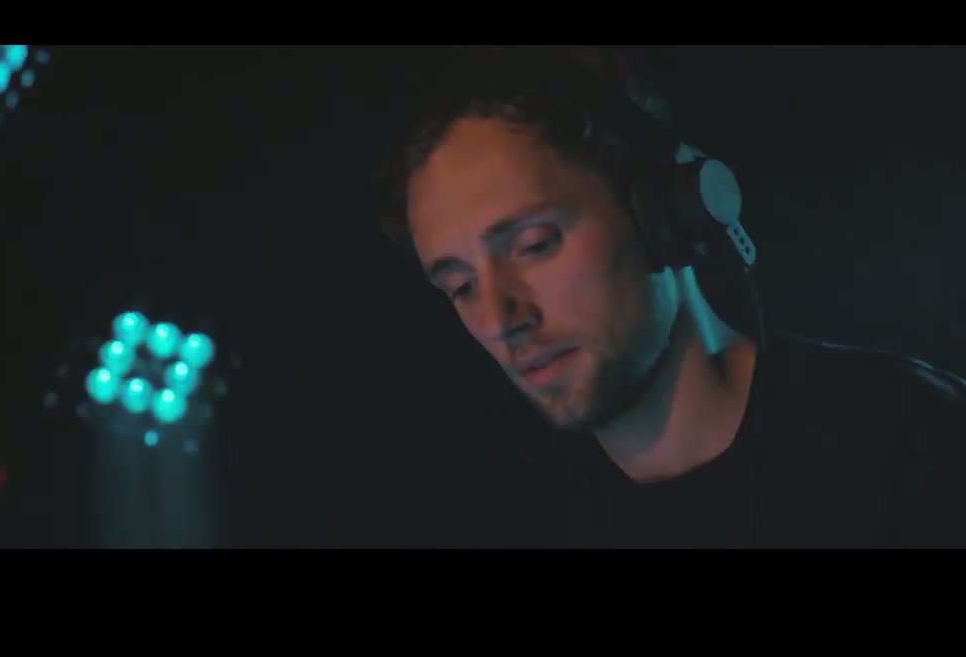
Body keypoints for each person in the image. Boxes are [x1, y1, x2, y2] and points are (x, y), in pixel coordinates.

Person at [370, 46, 966, 548]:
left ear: (661, 212)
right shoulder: (505, 523)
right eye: (462, 287)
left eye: (535, 245)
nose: (500, 318)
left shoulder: (912, 441)